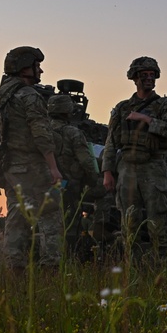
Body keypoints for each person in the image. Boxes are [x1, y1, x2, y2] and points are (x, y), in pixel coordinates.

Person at [0, 46, 62, 270]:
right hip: (32, 167)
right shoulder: (29, 95)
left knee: (17, 220)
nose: (41, 71)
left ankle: (14, 271)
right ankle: (51, 270)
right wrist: (53, 168)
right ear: (24, 68)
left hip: (9, 169)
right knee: (50, 216)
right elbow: (42, 135)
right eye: (37, 66)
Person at [102, 57, 167, 257]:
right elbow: (111, 141)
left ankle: (160, 269)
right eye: (144, 75)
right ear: (135, 78)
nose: (149, 79)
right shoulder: (122, 108)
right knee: (129, 222)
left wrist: (145, 119)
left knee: (157, 223)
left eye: (152, 75)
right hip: (127, 167)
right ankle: (131, 269)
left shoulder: (165, 105)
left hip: (153, 166)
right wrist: (107, 172)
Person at [48, 94, 101, 259]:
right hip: (69, 187)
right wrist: (93, 182)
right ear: (68, 111)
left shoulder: (40, 131)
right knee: (70, 225)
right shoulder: (73, 133)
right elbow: (87, 161)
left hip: (44, 185)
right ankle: (69, 260)